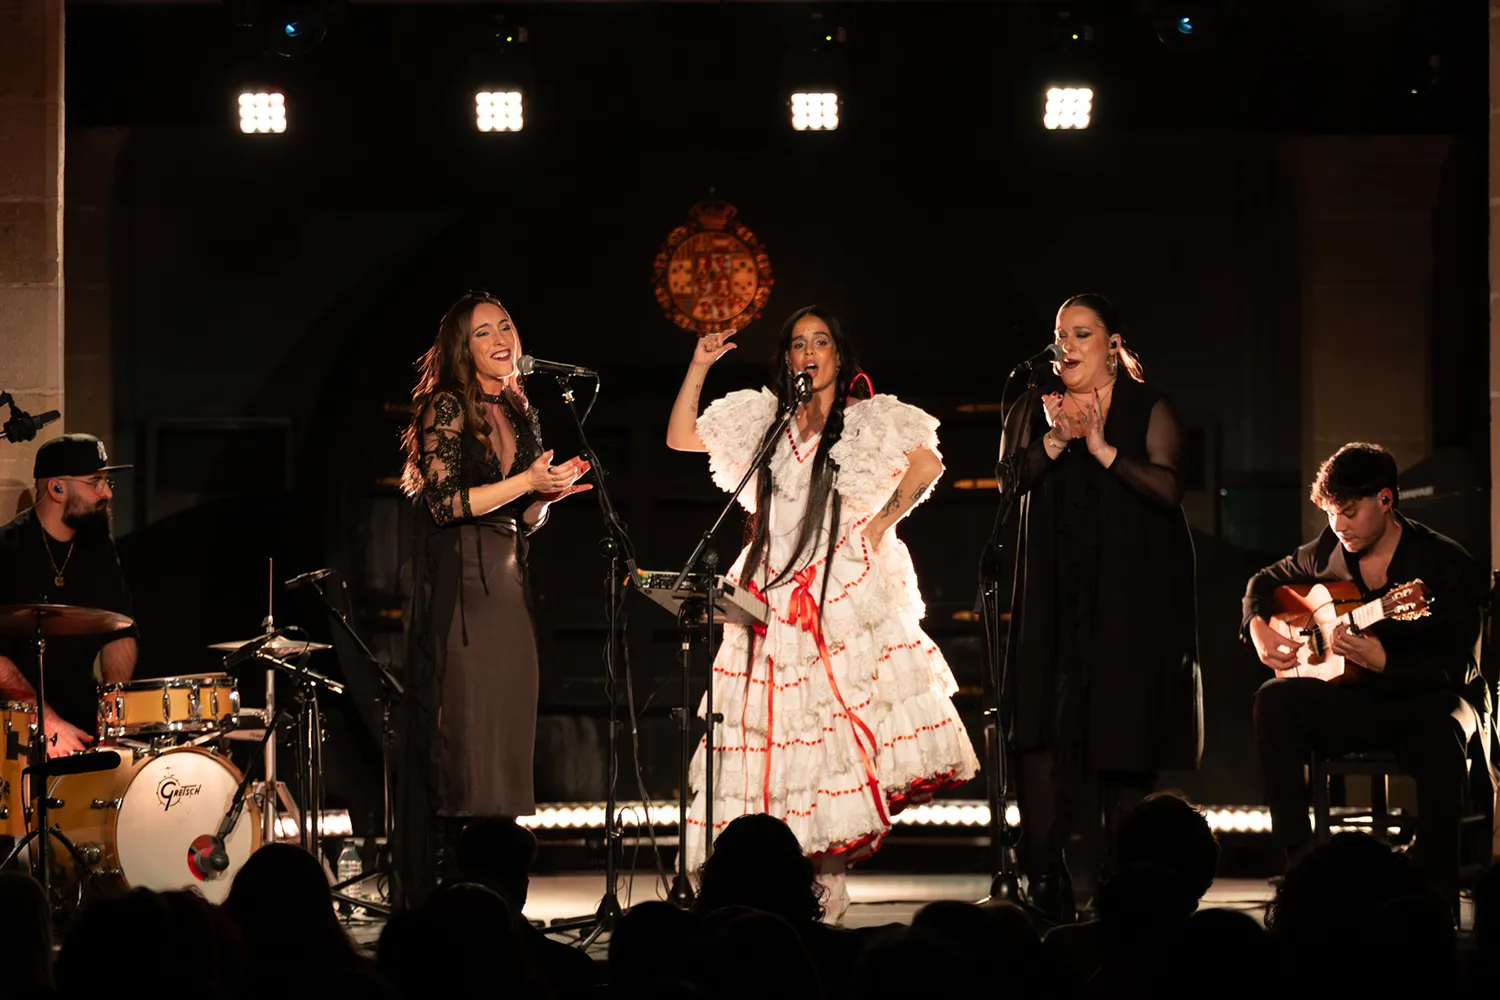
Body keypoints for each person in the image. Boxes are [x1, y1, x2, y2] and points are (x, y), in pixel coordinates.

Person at [667, 305, 980, 920]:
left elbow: (927, 463)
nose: (809, 352)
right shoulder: (768, 422)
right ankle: (756, 894)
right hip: (765, 598)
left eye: (821, 342)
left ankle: (826, 899)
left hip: (827, 597)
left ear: (840, 353)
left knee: (823, 742)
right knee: (765, 746)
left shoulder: (866, 420)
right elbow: (681, 436)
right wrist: (700, 365)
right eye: (797, 344)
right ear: (787, 359)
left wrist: (874, 527)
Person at [996, 293, 1201, 922]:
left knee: (1121, 729)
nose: (1068, 345)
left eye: (1082, 333)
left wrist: (1105, 449)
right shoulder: (1036, 405)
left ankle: (1124, 886)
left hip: (1126, 597)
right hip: (1053, 596)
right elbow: (1009, 480)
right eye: (1061, 334)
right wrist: (1058, 439)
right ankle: (1045, 875)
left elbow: (1168, 489)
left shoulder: (1147, 406)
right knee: (1040, 728)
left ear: (1112, 345)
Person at [393, 291, 592, 908]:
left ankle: (497, 899)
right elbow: (445, 503)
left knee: (504, 749)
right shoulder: (445, 406)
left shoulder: (520, 407)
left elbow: (520, 517)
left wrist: (543, 500)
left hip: (506, 585)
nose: (500, 337)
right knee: (465, 747)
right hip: (463, 589)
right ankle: (450, 900)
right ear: (463, 347)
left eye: (506, 325)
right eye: (483, 332)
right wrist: (526, 482)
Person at [1246, 442, 1490, 910]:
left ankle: (1434, 891)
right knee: (1273, 699)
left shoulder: (1445, 563)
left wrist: (1387, 664)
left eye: (1349, 513)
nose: (1338, 527)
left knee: (1443, 733)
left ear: (1386, 500)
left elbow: (1460, 667)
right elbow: (1263, 582)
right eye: (1332, 514)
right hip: (1356, 702)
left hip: (1426, 701)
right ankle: (1299, 864)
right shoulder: (1329, 550)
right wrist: (1257, 627)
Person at [0, 433, 136, 757]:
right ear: (57, 489)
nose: (107, 493)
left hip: (84, 725)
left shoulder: (99, 549)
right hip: (17, 728)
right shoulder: (7, 551)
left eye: (107, 482)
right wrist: (45, 721)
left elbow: (120, 632)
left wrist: (113, 707)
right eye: (95, 482)